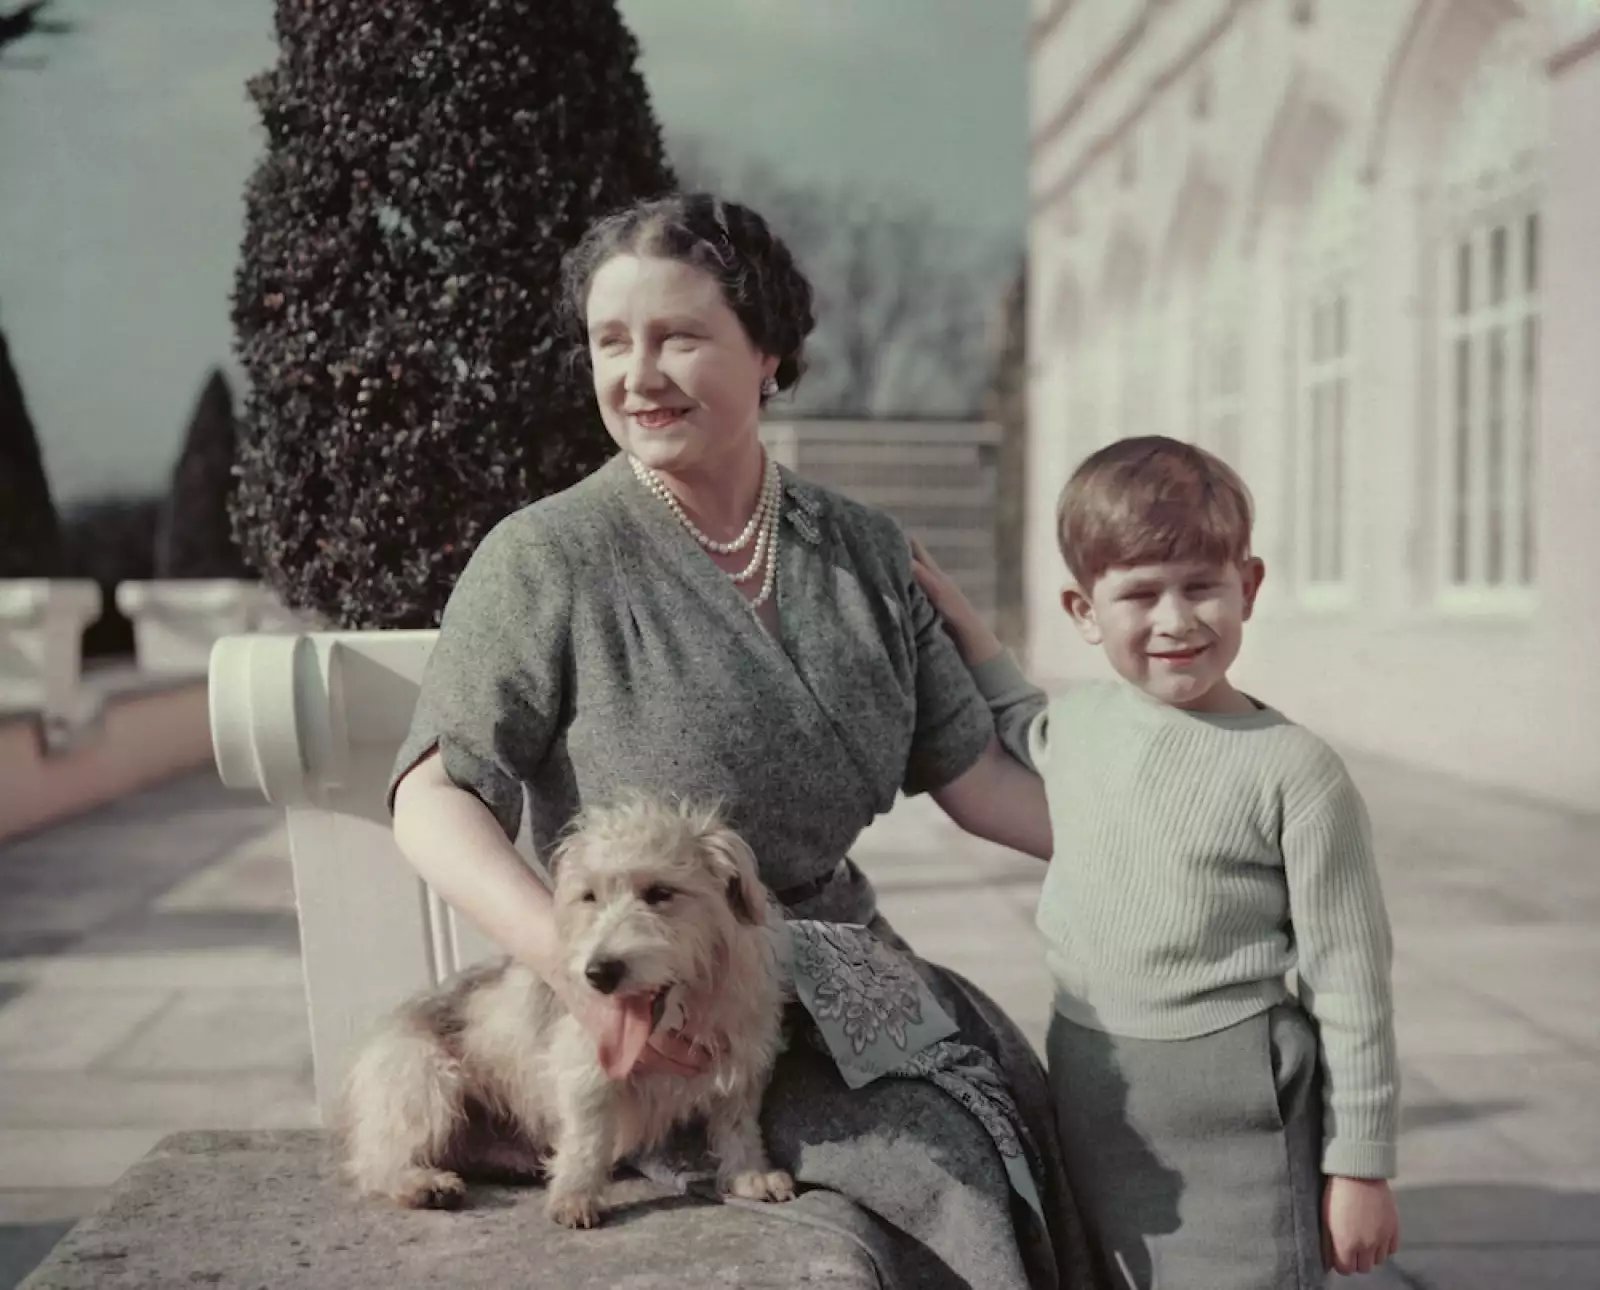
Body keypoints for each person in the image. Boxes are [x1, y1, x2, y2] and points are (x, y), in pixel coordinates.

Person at [386, 191, 1095, 1290]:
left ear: (767, 351)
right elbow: (432, 796)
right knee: (933, 1172)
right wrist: (575, 974)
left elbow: (981, 783)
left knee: (1012, 1106)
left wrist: (1180, 854)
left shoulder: (860, 551)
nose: (638, 372)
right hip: (654, 1014)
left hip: (845, 973)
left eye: (678, 335)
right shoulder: (545, 558)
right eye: (609, 342)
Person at [912, 435, 1402, 1288]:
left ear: (1247, 588)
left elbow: (1351, 980)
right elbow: (1018, 713)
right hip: (1096, 1083)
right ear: (1083, 611)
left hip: (1239, 1107)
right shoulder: (1085, 725)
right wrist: (966, 624)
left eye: (1201, 587)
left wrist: (1360, 1164)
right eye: (1140, 593)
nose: (1175, 620)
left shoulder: (1295, 770)